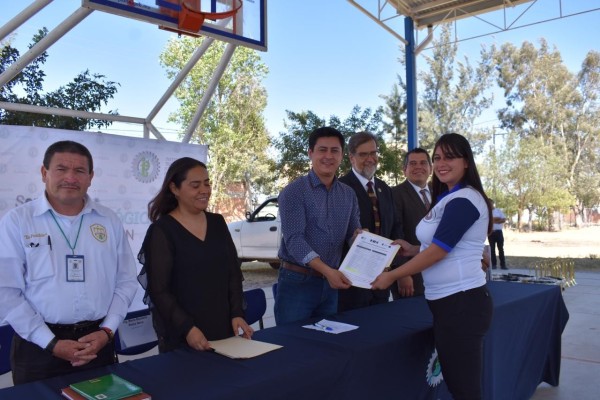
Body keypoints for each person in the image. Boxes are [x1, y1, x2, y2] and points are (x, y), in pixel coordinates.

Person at [0, 140, 138, 385]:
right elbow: (6, 291)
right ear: (44, 173)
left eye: (79, 171)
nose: (70, 178)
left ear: (91, 177)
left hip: (97, 343)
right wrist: (50, 342)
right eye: (61, 169)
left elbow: (126, 281)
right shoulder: (18, 221)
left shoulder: (108, 220)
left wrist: (107, 331)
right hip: (38, 348)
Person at [372, 133, 493, 400]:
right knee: (458, 382)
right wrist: (412, 249)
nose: (441, 163)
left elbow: (439, 251)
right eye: (437, 157)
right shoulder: (449, 197)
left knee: (465, 388)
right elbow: (441, 244)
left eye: (449, 157)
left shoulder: (465, 199)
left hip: (462, 302)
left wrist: (392, 274)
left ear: (466, 161)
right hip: (448, 302)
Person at [137, 157, 252, 353]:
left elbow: (233, 273)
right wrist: (187, 328)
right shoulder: (162, 230)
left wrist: (237, 313)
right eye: (195, 185)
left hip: (225, 330)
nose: (204, 190)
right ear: (174, 189)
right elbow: (159, 291)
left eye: (207, 183)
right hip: (184, 337)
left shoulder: (217, 222)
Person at [275, 127, 361, 325]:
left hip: (331, 284)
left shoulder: (348, 194)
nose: (328, 156)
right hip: (298, 282)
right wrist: (328, 272)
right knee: (292, 339)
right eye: (322, 150)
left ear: (342, 155)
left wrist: (361, 239)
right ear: (310, 153)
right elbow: (295, 240)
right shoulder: (294, 192)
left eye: (334, 151)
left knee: (326, 341)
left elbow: (353, 233)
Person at [337, 131, 403, 312]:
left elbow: (395, 227)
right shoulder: (340, 188)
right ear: (351, 157)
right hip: (351, 283)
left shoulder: (384, 189)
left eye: (373, 153)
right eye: (363, 154)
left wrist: (395, 267)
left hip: (381, 280)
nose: (370, 159)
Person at [391, 148, 433, 298]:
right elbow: (394, 233)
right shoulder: (394, 194)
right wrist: (401, 273)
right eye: (413, 163)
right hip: (411, 275)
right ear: (404, 170)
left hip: (441, 269)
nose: (418, 167)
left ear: (430, 168)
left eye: (423, 163)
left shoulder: (442, 192)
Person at [488, 199, 508, 270]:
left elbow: (503, 219)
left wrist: (493, 220)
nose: (490, 205)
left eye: (491, 203)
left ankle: (503, 265)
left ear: (493, 203)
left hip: (499, 232)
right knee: (492, 249)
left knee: (501, 249)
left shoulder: (498, 211)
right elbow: (488, 220)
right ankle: (494, 265)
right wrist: (497, 219)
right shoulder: (487, 212)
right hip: (491, 233)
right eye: (488, 203)